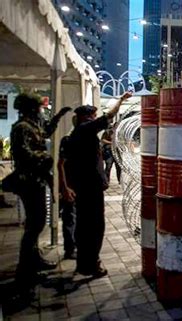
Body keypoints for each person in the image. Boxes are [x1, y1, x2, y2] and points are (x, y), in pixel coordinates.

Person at [9, 93, 71, 295]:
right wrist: (43, 157)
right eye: (39, 107)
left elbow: (46, 132)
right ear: (31, 108)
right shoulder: (21, 128)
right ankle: (24, 272)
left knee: (38, 223)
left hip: (37, 181)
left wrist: (58, 116)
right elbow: (22, 153)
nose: (41, 110)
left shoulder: (32, 126)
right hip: (29, 181)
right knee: (34, 226)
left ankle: (34, 261)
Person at [67, 92, 131, 278]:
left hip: (84, 186)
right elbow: (108, 116)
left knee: (85, 225)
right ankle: (91, 263)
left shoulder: (77, 134)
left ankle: (84, 262)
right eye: (93, 116)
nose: (96, 119)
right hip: (89, 187)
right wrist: (120, 100)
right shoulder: (84, 130)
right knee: (94, 226)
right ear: (86, 118)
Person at [58, 116, 77, 260]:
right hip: (71, 185)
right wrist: (64, 187)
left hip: (82, 187)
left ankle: (75, 246)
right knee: (70, 217)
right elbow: (61, 164)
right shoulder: (69, 140)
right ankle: (70, 249)